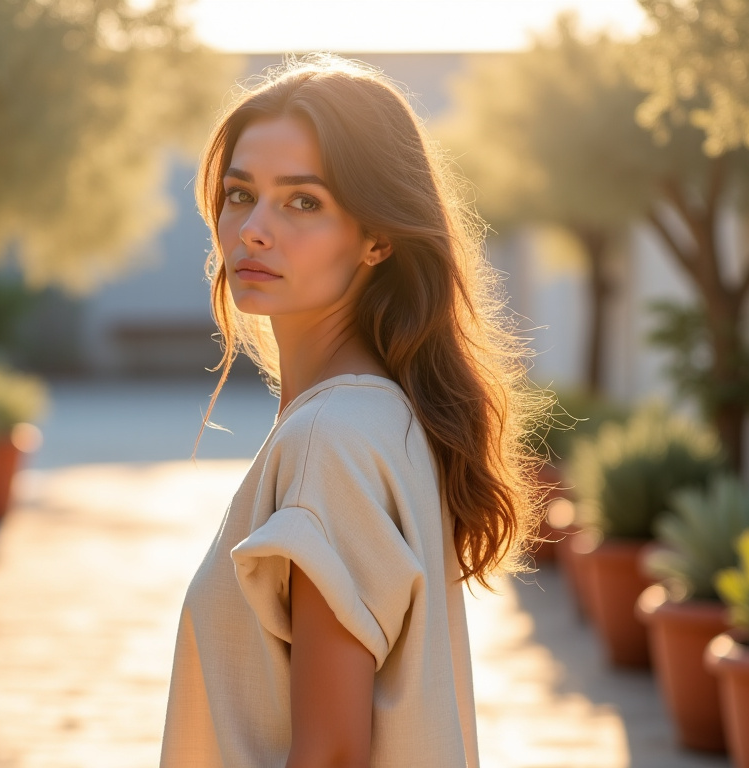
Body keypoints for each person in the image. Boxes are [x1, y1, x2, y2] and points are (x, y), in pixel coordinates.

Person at [160, 55, 543, 767]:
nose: (253, 229)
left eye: (303, 201)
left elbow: (331, 755)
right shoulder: (384, 417)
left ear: (377, 237)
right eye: (240, 194)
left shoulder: (329, 442)